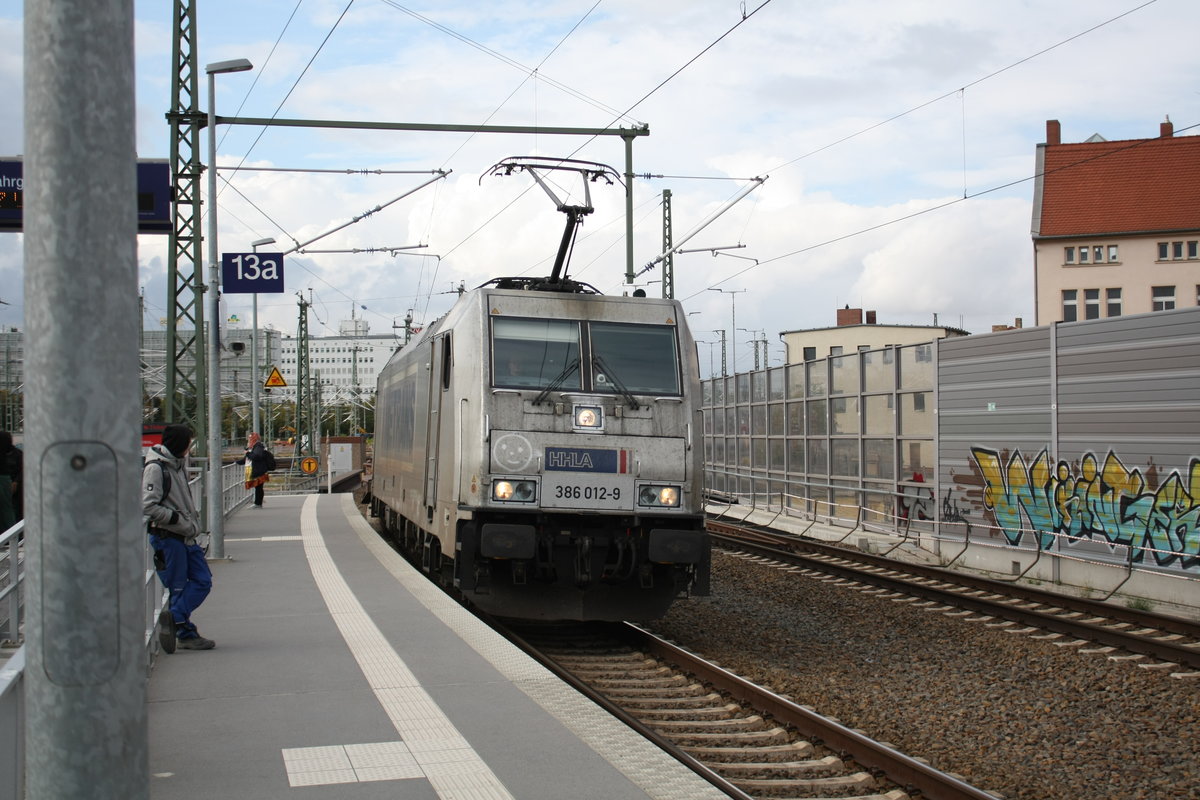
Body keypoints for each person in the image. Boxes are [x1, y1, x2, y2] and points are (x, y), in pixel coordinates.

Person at [143, 423, 214, 652]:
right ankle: (185, 632)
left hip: (185, 535)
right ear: (179, 444)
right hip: (168, 536)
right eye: (188, 443)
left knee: (203, 580)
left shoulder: (177, 465)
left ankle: (174, 618)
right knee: (178, 588)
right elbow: (147, 505)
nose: (190, 447)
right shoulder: (156, 468)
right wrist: (175, 519)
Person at [240, 432, 271, 508]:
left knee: (258, 487)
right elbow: (252, 457)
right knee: (258, 487)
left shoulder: (258, 447)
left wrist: (247, 453)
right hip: (260, 469)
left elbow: (256, 457)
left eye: (250, 439)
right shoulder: (258, 446)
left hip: (259, 470)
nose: (249, 440)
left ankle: (258, 503)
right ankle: (258, 503)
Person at [0, 431, 21, 531]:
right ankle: (12, 533)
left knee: (6, 509)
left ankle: (11, 533)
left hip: (4, 478)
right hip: (5, 477)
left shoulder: (17, 454)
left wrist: (16, 481)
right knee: (7, 509)